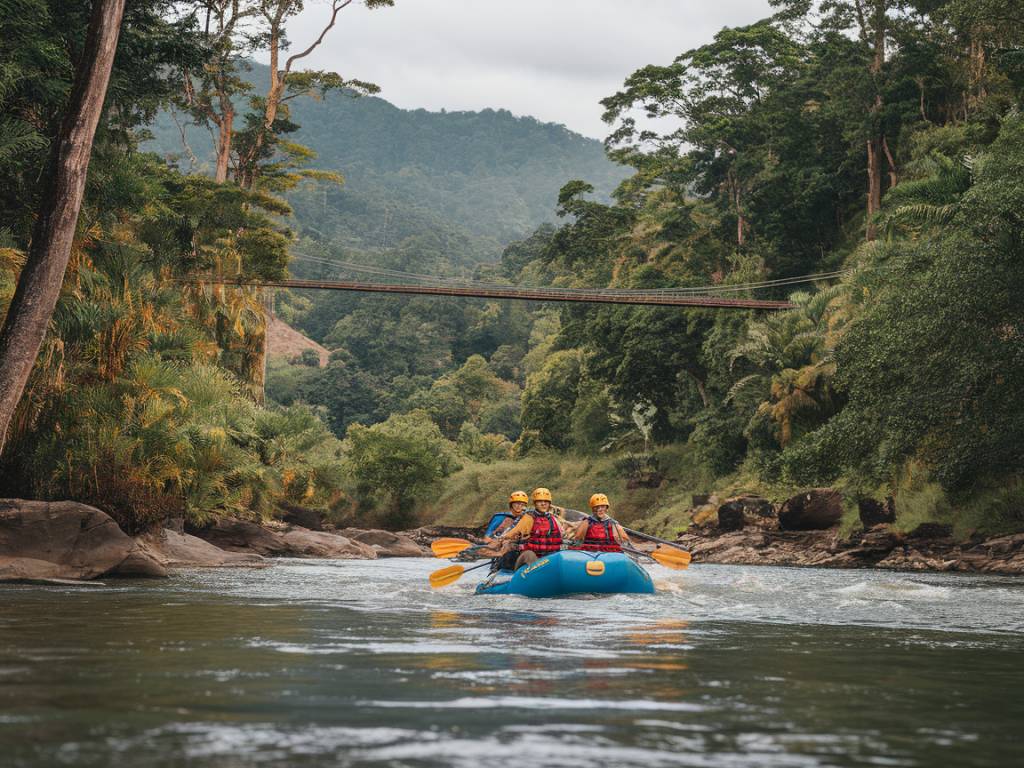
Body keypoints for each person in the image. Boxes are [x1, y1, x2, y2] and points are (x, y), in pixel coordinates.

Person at [495, 487, 565, 570]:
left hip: (549, 557)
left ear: (549, 504)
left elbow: (562, 536)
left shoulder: (554, 519)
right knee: (529, 555)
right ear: (535, 504)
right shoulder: (528, 518)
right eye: (540, 501)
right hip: (529, 558)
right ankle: (536, 575)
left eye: (546, 501)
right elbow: (512, 533)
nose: (543, 504)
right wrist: (504, 540)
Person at [483, 491, 529, 574]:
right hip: (504, 554)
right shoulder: (500, 517)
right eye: (517, 504)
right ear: (511, 505)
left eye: (522, 504)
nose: (519, 507)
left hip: (521, 550)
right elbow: (487, 539)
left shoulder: (528, 518)